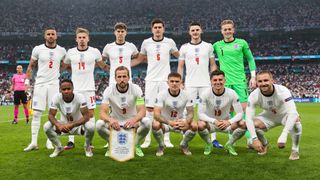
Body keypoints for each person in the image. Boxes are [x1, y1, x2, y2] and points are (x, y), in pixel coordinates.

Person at [131, 18, 179, 148]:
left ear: (163, 28)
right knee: (149, 109)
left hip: (165, 80)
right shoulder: (146, 43)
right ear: (152, 29)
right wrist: (124, 65)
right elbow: (140, 59)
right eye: (155, 27)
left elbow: (179, 56)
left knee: (166, 109)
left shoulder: (170, 42)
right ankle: (147, 139)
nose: (157, 29)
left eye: (160, 27)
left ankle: (166, 138)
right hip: (151, 80)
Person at [177, 22, 222, 148]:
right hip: (190, 84)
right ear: (189, 32)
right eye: (193, 30)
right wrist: (180, 82)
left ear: (201, 31)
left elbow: (213, 64)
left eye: (197, 30)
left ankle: (213, 139)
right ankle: (185, 139)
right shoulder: (184, 47)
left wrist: (214, 80)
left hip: (205, 83)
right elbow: (180, 67)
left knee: (210, 110)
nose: (195, 32)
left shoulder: (208, 46)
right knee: (187, 110)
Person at [63, 27, 109, 150]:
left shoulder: (94, 52)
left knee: (90, 115)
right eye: (80, 38)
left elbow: (103, 66)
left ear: (88, 39)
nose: (82, 40)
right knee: (71, 114)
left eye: (84, 37)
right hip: (75, 89)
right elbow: (65, 66)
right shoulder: (71, 52)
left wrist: (114, 68)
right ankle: (70, 141)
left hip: (89, 89)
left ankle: (89, 142)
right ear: (76, 39)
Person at [213, 19, 257, 142]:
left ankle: (250, 138)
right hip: (225, 83)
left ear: (233, 30)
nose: (227, 31)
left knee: (244, 110)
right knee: (229, 112)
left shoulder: (242, 43)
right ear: (221, 31)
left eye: (229, 29)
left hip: (240, 81)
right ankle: (231, 139)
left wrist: (253, 76)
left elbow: (250, 59)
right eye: (225, 29)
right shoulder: (216, 45)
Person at [24, 27, 66, 152]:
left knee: (52, 113)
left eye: (53, 34)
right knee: (36, 113)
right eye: (48, 34)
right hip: (40, 84)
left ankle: (50, 142)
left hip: (53, 85)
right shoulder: (38, 49)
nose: (51, 36)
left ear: (56, 36)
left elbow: (65, 64)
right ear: (45, 36)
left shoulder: (62, 50)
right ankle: (33, 142)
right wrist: (27, 81)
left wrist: (58, 72)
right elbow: (31, 66)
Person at [245, 70, 302, 160]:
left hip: (284, 115)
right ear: (256, 82)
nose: (263, 83)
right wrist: (254, 138)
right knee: (250, 124)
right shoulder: (253, 95)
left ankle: (295, 150)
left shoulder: (283, 91)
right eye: (260, 81)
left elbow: (293, 112)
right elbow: (248, 118)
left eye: (266, 80)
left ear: (272, 81)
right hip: (268, 117)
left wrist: (284, 135)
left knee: (296, 120)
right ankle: (263, 144)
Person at [96, 66, 150, 157]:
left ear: (129, 77)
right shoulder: (108, 90)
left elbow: (142, 111)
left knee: (147, 122)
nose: (122, 79)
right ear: (115, 78)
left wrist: (134, 120)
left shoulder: (136, 89)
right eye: (119, 77)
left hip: (132, 122)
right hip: (115, 123)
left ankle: (135, 144)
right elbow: (102, 113)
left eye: (124, 76)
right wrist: (111, 120)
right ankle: (111, 145)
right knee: (99, 124)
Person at [197, 70, 245, 156]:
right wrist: (214, 121)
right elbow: (200, 114)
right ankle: (209, 144)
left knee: (243, 124)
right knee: (200, 124)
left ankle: (229, 144)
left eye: (220, 79)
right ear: (211, 81)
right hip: (210, 124)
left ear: (224, 80)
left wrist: (229, 122)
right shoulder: (205, 94)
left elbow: (240, 113)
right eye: (215, 80)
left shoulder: (232, 93)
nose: (218, 82)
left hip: (226, 124)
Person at [43, 79, 94, 157]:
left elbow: (86, 116)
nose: (66, 91)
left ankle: (87, 147)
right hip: (63, 126)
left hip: (78, 126)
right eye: (64, 89)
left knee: (91, 127)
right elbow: (50, 115)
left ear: (73, 88)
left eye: (68, 89)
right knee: (46, 126)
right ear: (60, 90)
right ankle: (59, 147)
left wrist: (72, 125)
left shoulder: (80, 97)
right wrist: (58, 125)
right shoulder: (56, 97)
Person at [152, 72, 197, 156]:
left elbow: (190, 113)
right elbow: (156, 114)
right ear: (167, 82)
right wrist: (169, 122)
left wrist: (186, 122)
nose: (174, 84)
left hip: (181, 122)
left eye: (177, 81)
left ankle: (184, 145)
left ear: (181, 82)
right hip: (166, 123)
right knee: (155, 124)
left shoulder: (187, 94)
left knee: (194, 125)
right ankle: (161, 145)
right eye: (172, 81)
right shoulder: (161, 94)